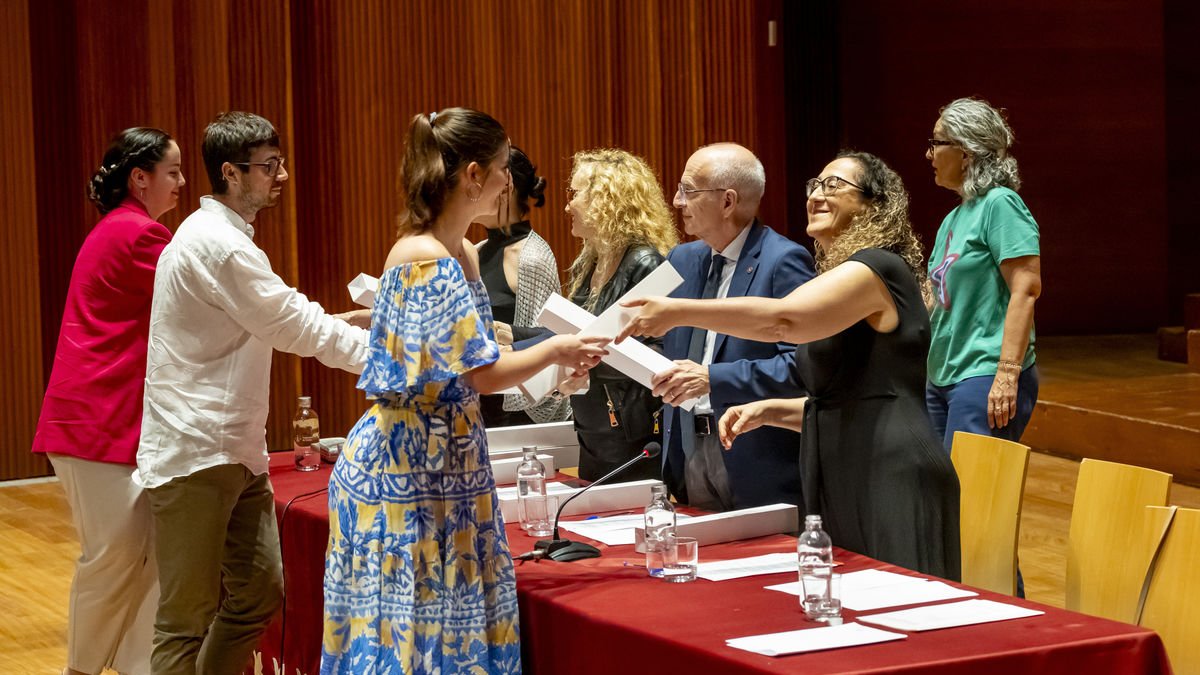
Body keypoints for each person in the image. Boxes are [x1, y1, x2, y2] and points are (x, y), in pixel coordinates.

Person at [321, 108, 608, 675]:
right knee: (417, 636)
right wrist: (555, 349)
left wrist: (554, 367)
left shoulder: (464, 252)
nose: (511, 181)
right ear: (474, 175)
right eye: (503, 168)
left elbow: (479, 361)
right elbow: (478, 377)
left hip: (452, 462)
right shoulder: (422, 255)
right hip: (409, 471)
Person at [619, 151, 961, 580]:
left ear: (875, 204)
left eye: (834, 185)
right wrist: (769, 411)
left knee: (905, 616)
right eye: (815, 184)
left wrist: (677, 310)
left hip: (890, 469)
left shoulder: (877, 267)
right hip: (845, 464)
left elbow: (783, 321)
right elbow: (847, 398)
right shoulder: (837, 277)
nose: (817, 194)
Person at [136, 112, 371, 675]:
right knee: (184, 621)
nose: (282, 175)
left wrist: (353, 324)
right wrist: (389, 359)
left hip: (235, 451)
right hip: (195, 455)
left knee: (259, 594)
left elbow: (266, 321)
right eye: (269, 167)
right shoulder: (218, 246)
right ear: (230, 173)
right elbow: (291, 322)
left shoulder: (222, 242)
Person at [32, 127, 184, 675]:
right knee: (115, 558)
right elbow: (205, 305)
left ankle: (141, 668)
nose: (182, 183)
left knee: (142, 557)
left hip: (105, 422)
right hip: (96, 423)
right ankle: (81, 670)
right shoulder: (140, 237)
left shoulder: (121, 229)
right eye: (172, 172)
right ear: (139, 179)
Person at [651, 143, 814, 511]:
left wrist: (713, 377)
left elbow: (799, 366)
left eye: (688, 191)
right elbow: (639, 326)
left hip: (752, 456)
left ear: (727, 202)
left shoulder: (783, 261)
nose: (677, 201)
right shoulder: (682, 258)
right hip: (687, 450)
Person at [924, 97, 1041, 452]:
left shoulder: (1000, 204)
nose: (929, 154)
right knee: (939, 495)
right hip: (941, 374)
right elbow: (936, 295)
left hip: (984, 374)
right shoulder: (954, 217)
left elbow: (1026, 289)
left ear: (965, 152)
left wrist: (1007, 373)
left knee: (973, 496)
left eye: (936, 142)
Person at [553, 148, 678, 483]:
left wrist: (585, 365)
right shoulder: (588, 262)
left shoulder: (645, 264)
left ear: (606, 198)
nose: (567, 205)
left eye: (575, 194)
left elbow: (662, 353)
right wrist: (512, 335)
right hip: (592, 430)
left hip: (631, 436)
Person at [475, 145, 570, 426]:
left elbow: (552, 335)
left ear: (505, 187)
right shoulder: (477, 250)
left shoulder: (532, 257)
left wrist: (508, 335)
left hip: (517, 420)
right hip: (480, 403)